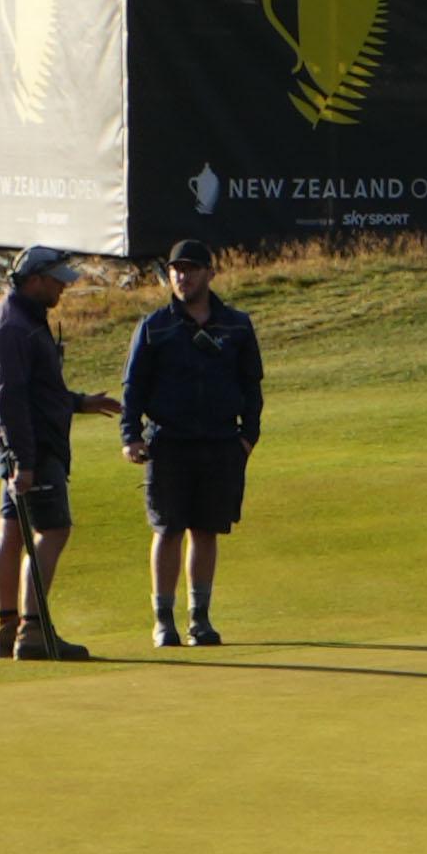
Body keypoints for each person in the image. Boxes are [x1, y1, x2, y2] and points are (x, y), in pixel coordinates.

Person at [115, 238, 265, 649]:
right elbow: (134, 389)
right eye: (176, 270)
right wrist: (130, 436)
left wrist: (247, 437)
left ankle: (200, 618)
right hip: (168, 443)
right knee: (167, 530)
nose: (182, 276)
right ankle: (163, 620)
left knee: (206, 530)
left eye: (191, 269)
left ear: (209, 274)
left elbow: (251, 385)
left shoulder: (236, 325)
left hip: (220, 443)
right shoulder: (155, 326)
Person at [0, 252, 112, 661]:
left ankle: (9, 627)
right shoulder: (13, 328)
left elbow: (37, 391)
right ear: (33, 280)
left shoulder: (23, 320)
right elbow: (11, 399)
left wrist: (80, 402)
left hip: (21, 444)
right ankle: (31, 631)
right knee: (52, 531)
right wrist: (25, 462)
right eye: (56, 280)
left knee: (12, 529)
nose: (62, 286)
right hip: (31, 446)